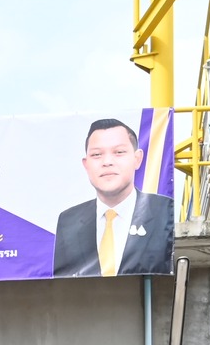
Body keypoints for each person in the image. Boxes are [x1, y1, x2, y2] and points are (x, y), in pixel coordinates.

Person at [51, 118, 175, 277]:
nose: (107, 162)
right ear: (86, 164)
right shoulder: (68, 221)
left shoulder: (165, 212)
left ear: (137, 159)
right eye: (97, 154)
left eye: (119, 152)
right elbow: (61, 283)